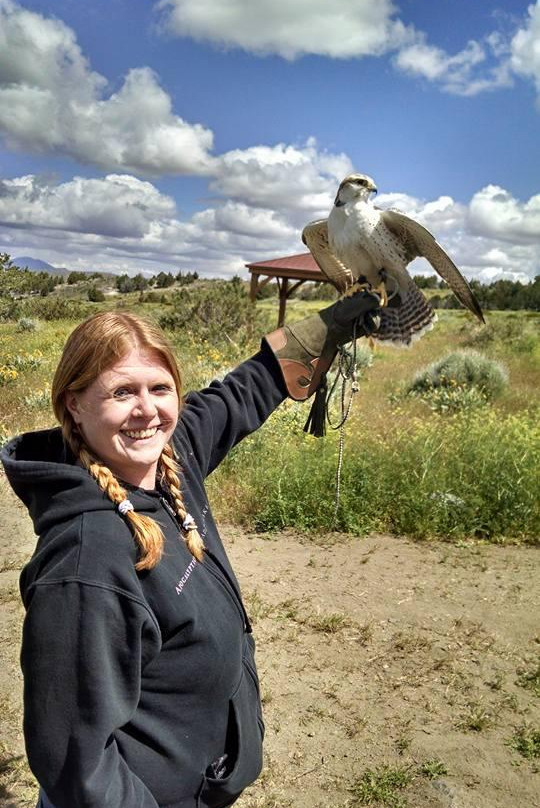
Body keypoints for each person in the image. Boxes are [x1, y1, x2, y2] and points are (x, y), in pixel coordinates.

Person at [1, 290, 380, 808]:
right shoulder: (85, 561)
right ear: (75, 403)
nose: (147, 410)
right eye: (122, 392)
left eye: (160, 388)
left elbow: (237, 396)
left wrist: (326, 326)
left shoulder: (167, 463)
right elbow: (77, 769)